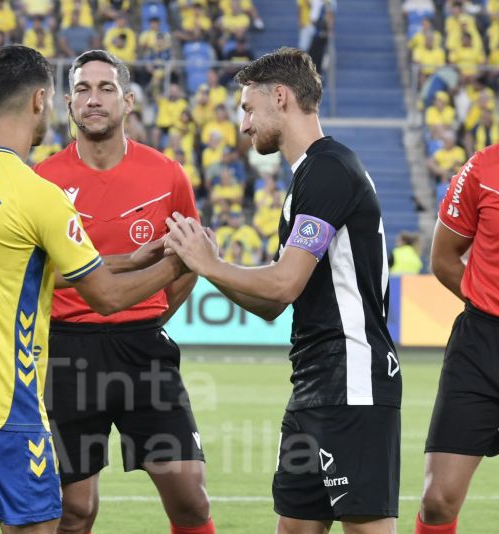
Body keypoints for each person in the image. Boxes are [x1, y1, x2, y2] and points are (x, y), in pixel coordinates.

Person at [0, 44, 188, 534]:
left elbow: (13, 260)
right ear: (40, 100)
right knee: (38, 524)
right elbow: (106, 298)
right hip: (0, 395)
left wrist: (126, 259)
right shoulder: (40, 192)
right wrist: (181, 263)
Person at [165, 47, 401, 534]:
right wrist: (208, 267)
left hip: (353, 383)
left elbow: (284, 281)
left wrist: (210, 262)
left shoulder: (329, 169)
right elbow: (274, 303)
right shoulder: (309, 178)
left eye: (249, 109)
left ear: (280, 96)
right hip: (313, 386)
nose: (244, 124)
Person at [34, 49, 215, 534]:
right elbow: (37, 274)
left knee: (191, 500)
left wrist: (152, 317)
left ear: (128, 101)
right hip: (65, 353)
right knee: (74, 511)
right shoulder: (42, 181)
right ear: (68, 104)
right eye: (83, 90)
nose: (95, 100)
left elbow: (188, 261)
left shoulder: (167, 175)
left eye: (106, 88)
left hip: (143, 352)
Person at [414, 145, 499, 533]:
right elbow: (444, 259)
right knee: (438, 500)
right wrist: (484, 300)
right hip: (480, 344)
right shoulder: (482, 168)